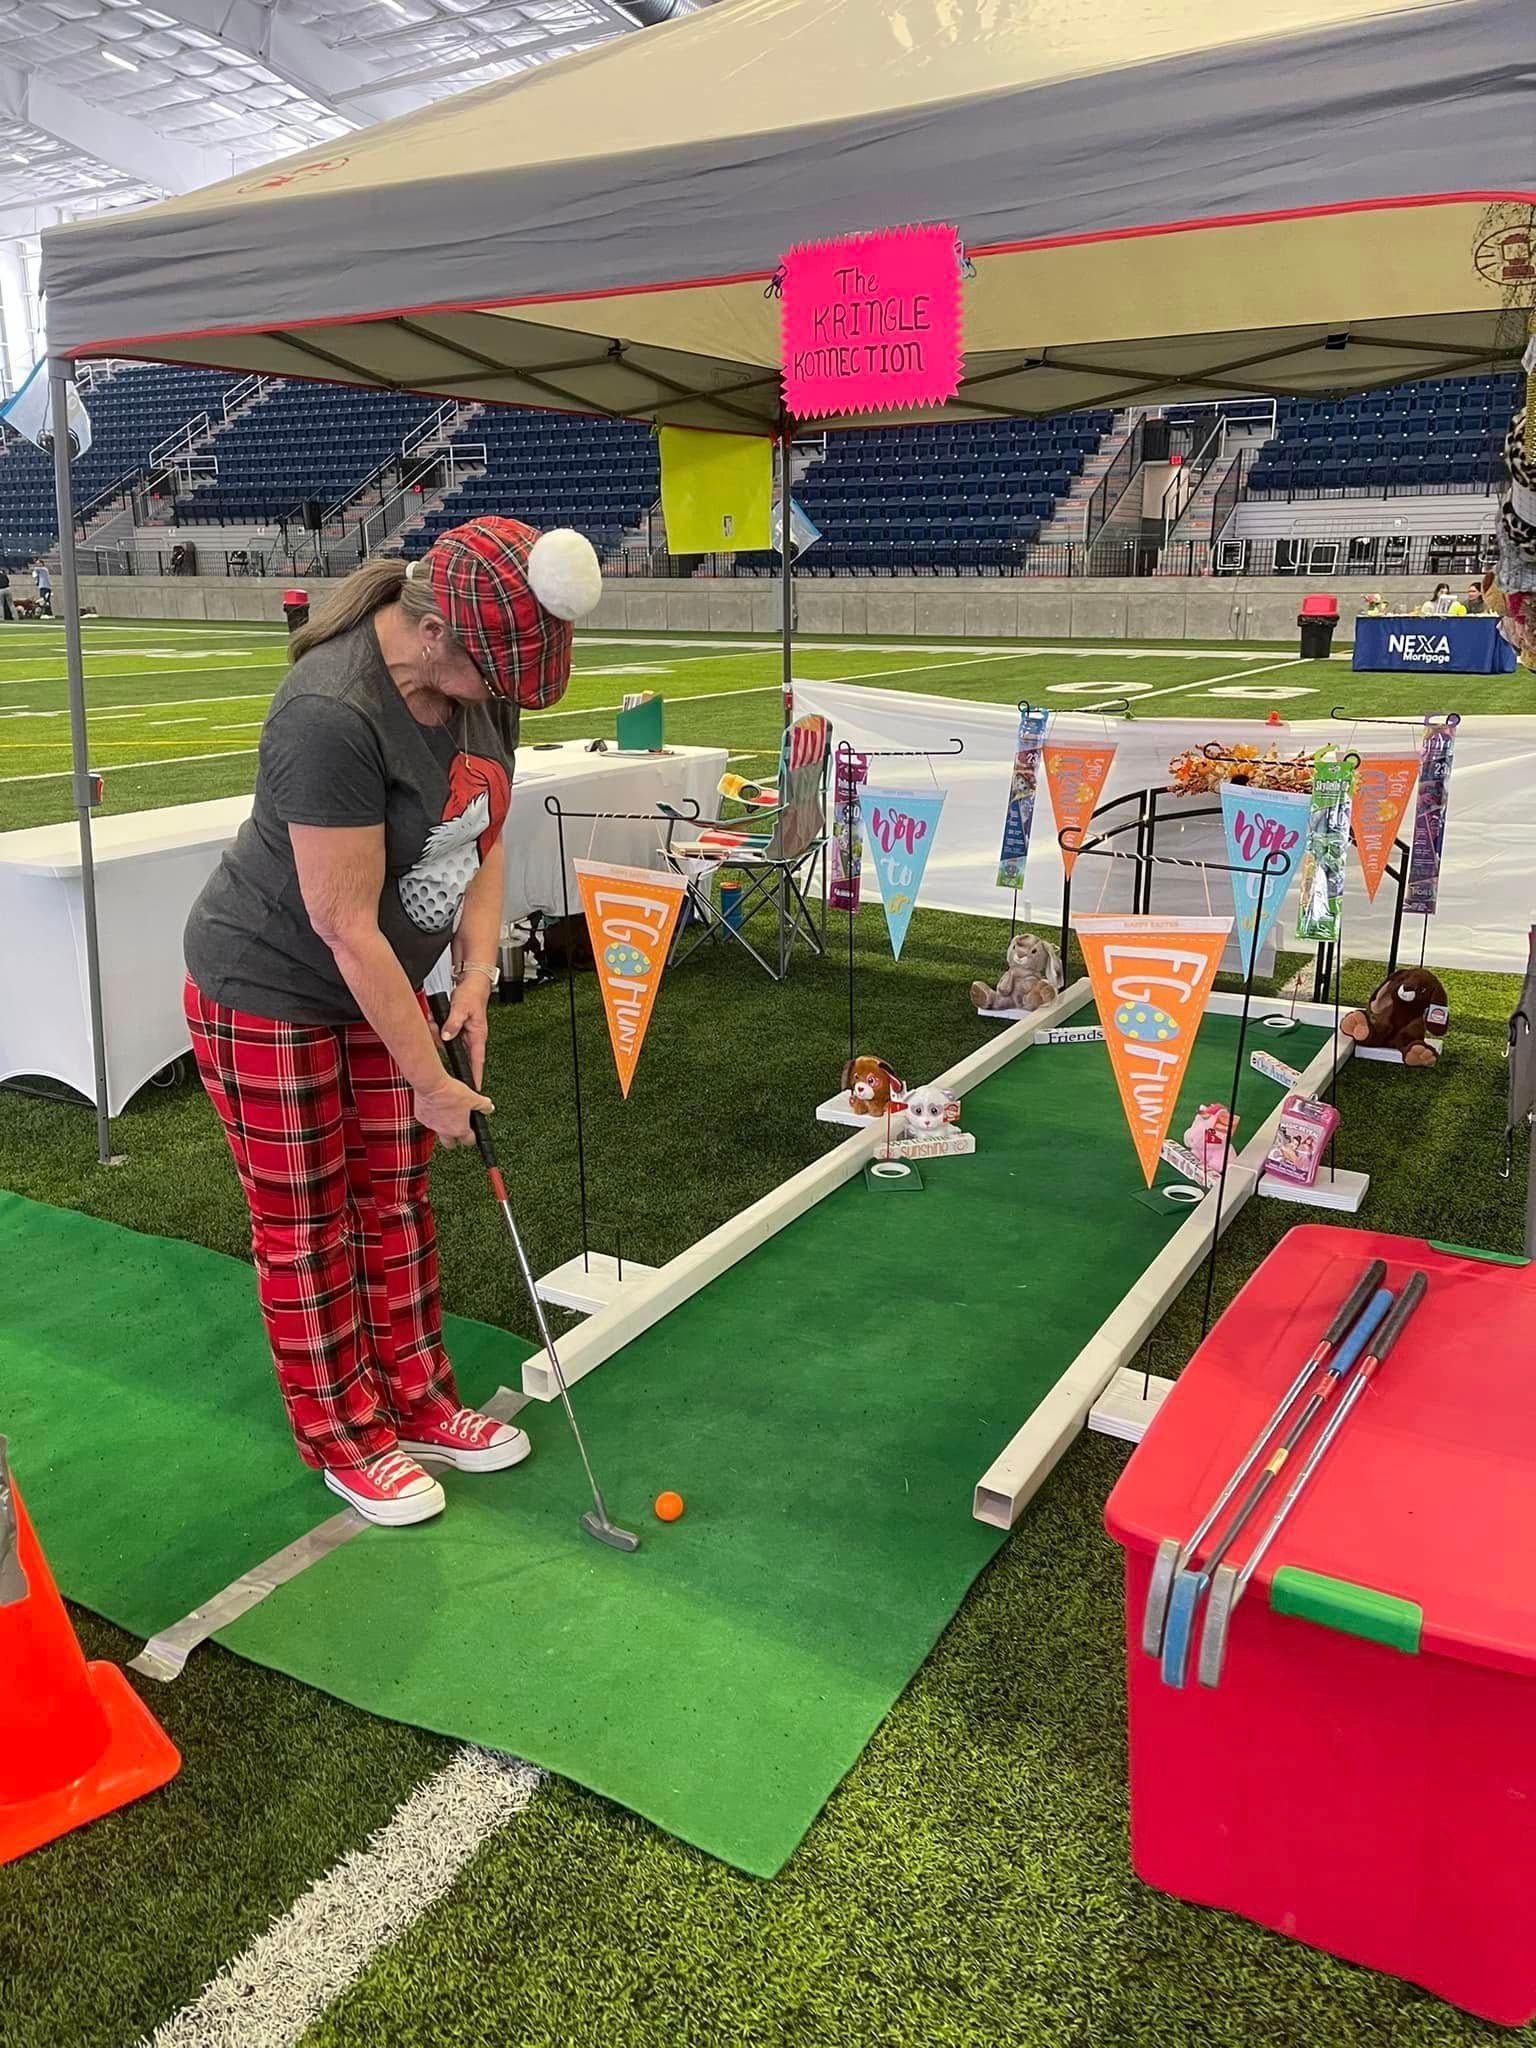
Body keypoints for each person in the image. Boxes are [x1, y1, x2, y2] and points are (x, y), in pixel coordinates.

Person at [182, 518, 603, 1526]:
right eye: (491, 674)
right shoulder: (330, 712)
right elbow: (343, 926)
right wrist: (429, 1078)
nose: (499, 695)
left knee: (396, 1199)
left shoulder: (481, 684)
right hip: (270, 985)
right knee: (308, 1224)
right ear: (434, 632)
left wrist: (474, 972)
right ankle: (344, 1432)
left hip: (379, 979)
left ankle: (416, 1400)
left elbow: (482, 829)